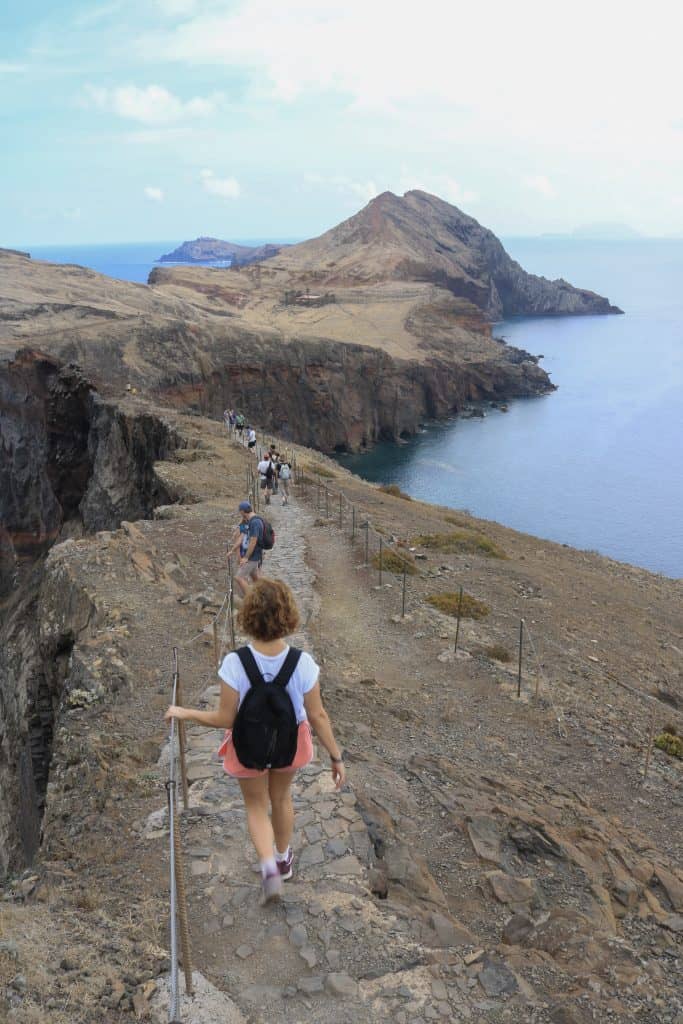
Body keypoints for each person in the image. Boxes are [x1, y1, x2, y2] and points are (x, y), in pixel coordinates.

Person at [165, 578, 345, 903]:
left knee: (255, 806)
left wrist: (184, 712)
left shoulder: (235, 663)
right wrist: (335, 756)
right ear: (288, 613)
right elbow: (318, 716)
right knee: (282, 799)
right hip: (291, 742)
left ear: (248, 614)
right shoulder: (303, 664)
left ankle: (268, 869)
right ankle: (282, 858)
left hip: (248, 744)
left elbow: (225, 719)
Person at [235, 500, 264, 597]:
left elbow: (253, 541)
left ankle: (251, 600)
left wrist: (246, 557)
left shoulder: (254, 522)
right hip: (256, 555)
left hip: (253, 556)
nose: (240, 513)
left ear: (243, 511)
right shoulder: (254, 520)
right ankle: (264, 594)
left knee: (239, 577)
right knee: (255, 578)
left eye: (240, 511)